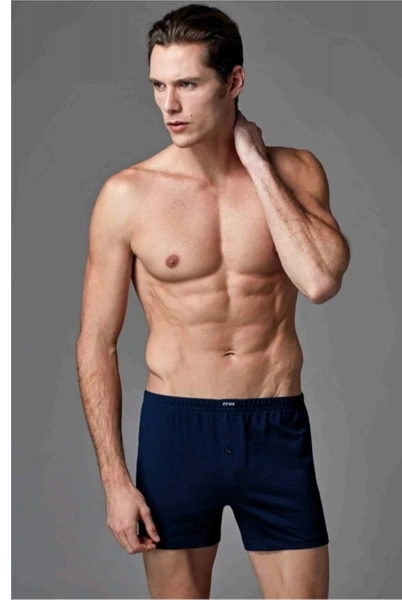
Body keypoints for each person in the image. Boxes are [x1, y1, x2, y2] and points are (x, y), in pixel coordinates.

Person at [76, 4, 350, 598]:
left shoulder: (295, 171)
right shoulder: (127, 196)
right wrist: (115, 481)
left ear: (234, 81)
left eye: (188, 85)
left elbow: (320, 280)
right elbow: (97, 342)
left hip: (274, 425)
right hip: (176, 432)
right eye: (158, 86)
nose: (169, 106)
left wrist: (255, 162)